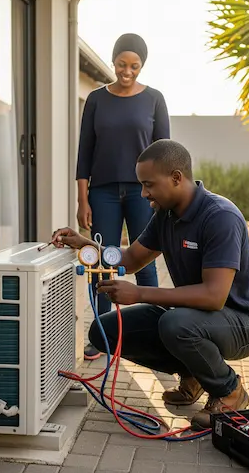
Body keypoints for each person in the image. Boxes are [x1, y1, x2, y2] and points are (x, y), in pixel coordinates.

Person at [53, 140, 249, 430]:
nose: (143, 193)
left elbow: (214, 296)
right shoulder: (166, 215)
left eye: (149, 185)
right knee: (103, 330)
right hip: (193, 317)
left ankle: (230, 391)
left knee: (175, 323)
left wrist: (140, 293)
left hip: (244, 323)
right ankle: (195, 374)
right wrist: (86, 246)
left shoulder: (220, 217)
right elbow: (130, 259)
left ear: (176, 178)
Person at [76, 33, 170, 360]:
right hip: (102, 192)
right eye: (121, 64)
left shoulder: (155, 99)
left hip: (143, 193)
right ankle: (102, 333)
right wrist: (82, 198)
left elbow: (165, 152)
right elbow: (84, 151)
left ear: (141, 66)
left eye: (134, 66)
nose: (127, 71)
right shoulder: (96, 100)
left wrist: (162, 198)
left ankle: (154, 334)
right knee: (105, 261)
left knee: (144, 262)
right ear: (113, 61)